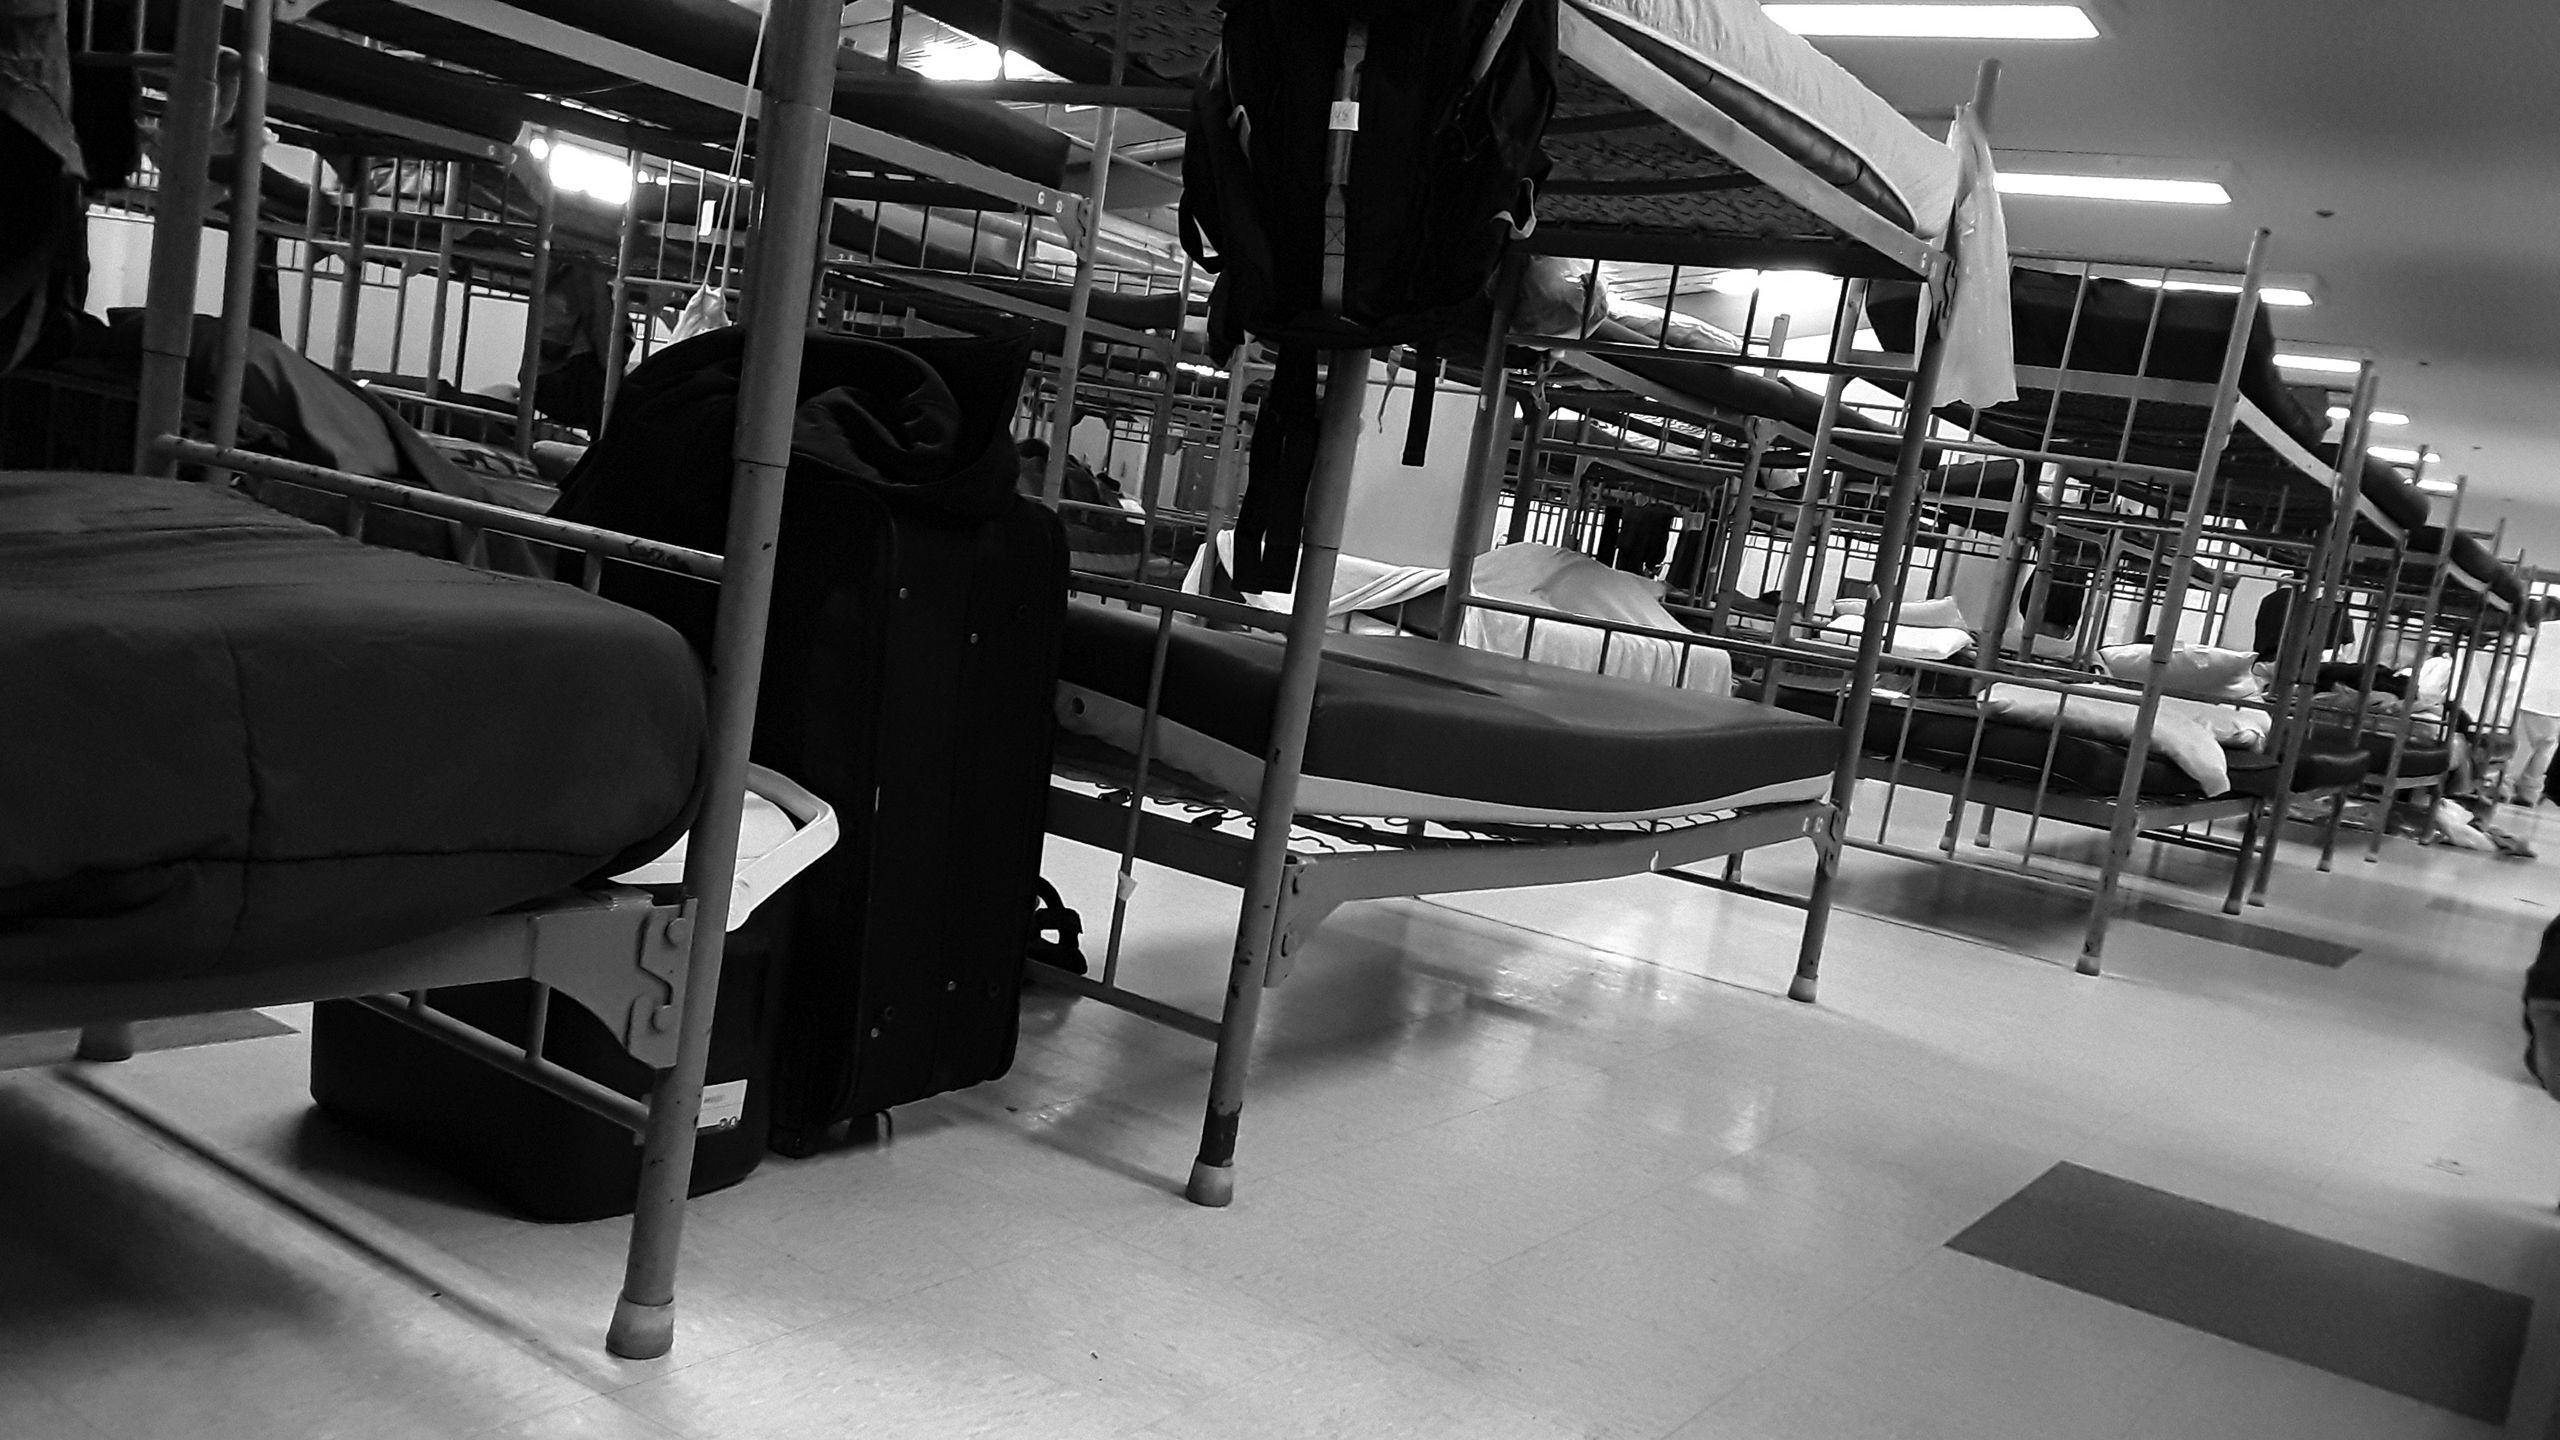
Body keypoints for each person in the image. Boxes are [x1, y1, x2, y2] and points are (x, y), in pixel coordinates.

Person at [2505, 608, 2560, 807]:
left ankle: (2504, 787)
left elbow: (2520, 650)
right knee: (2544, 751)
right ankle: (2530, 794)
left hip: (2531, 697)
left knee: (2520, 748)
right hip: (2556, 704)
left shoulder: (2541, 631)